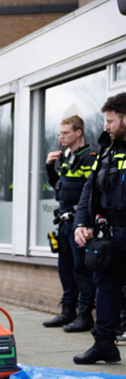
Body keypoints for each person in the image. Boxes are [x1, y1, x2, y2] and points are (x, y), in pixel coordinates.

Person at [72, 93, 126, 364]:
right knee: (105, 288)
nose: (106, 126)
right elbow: (88, 190)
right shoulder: (107, 151)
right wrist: (82, 223)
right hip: (111, 236)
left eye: (111, 121)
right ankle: (104, 345)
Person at [43, 115, 98, 332]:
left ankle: (85, 315)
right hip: (64, 223)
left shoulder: (90, 157)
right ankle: (68, 312)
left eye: (65, 133)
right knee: (65, 268)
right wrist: (49, 166)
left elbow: (91, 191)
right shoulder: (65, 157)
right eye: (60, 133)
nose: (61, 137)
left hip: (80, 223)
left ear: (78, 132)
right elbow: (59, 186)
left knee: (81, 269)